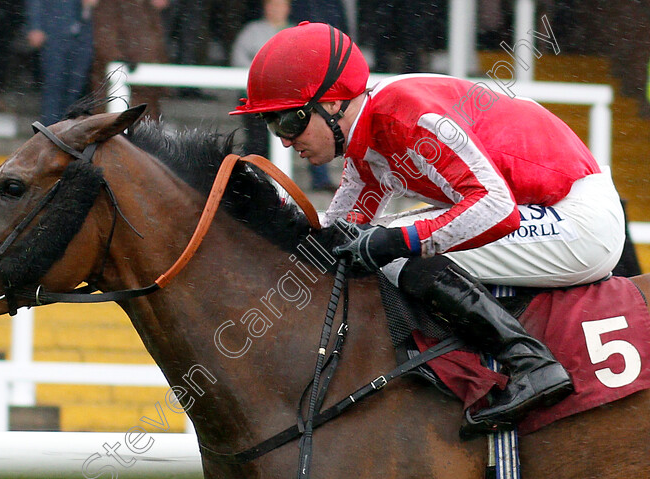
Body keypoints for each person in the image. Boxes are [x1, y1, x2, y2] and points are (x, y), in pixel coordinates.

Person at [230, 22, 626, 435]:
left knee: (396, 245)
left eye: (289, 122)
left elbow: (496, 209)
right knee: (375, 241)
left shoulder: (404, 115)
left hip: (580, 218)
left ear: (332, 105)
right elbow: (336, 235)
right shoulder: (370, 134)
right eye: (274, 126)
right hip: (543, 207)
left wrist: (401, 240)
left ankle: (530, 363)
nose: (287, 141)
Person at [230, 0, 291, 157]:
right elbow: (238, 58)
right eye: (272, 5)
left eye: (280, 5)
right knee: (257, 142)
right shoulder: (251, 31)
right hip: (254, 98)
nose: (275, 9)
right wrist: (262, 76)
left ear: (287, 8)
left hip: (288, 100)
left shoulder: (296, 32)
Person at [89, 0, 169, 120]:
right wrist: (119, 60)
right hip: (121, 88)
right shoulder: (110, 4)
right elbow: (104, 38)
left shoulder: (148, 8)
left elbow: (157, 44)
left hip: (147, 91)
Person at [24, 0, 96, 126]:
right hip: (55, 32)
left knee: (75, 87)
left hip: (83, 36)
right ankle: (50, 131)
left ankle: (67, 128)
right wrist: (35, 26)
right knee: (54, 86)